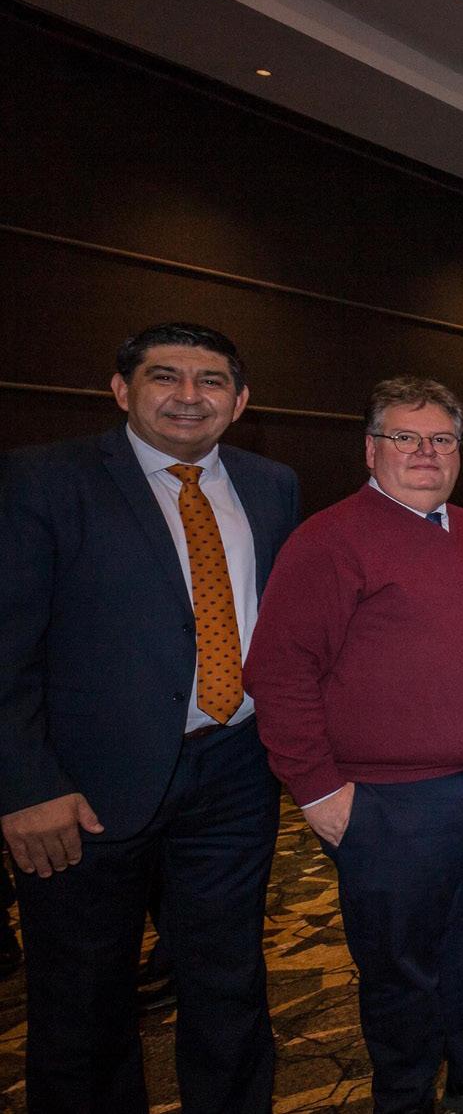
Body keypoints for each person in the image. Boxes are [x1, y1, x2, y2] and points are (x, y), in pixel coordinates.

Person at [0, 322, 298, 1114]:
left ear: (240, 400)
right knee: (84, 998)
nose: (188, 396)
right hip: (83, 789)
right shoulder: (43, 480)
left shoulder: (272, 485)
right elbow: (5, 645)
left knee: (229, 980)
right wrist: (25, 785)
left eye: (210, 381)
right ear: (121, 390)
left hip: (235, 772)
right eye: (165, 376)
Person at [245, 376, 463, 1113]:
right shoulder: (329, 540)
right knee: (401, 963)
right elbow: (280, 672)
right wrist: (317, 791)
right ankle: (406, 1093)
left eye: (442, 439)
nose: (426, 452)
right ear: (371, 449)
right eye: (405, 437)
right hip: (394, 801)